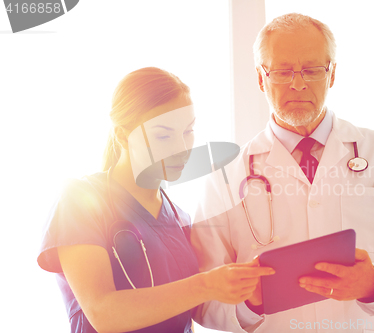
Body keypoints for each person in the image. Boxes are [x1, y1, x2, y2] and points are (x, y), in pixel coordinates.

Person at [191, 13, 374, 332]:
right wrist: (251, 301)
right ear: (261, 78)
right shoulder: (224, 177)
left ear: (332, 74)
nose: (298, 83)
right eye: (283, 71)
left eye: (312, 70)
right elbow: (203, 299)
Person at [37, 67, 275, 333]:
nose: (182, 148)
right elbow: (103, 314)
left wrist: (249, 296)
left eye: (188, 131)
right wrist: (206, 284)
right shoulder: (80, 201)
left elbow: (185, 317)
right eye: (163, 135)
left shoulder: (181, 218)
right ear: (122, 135)